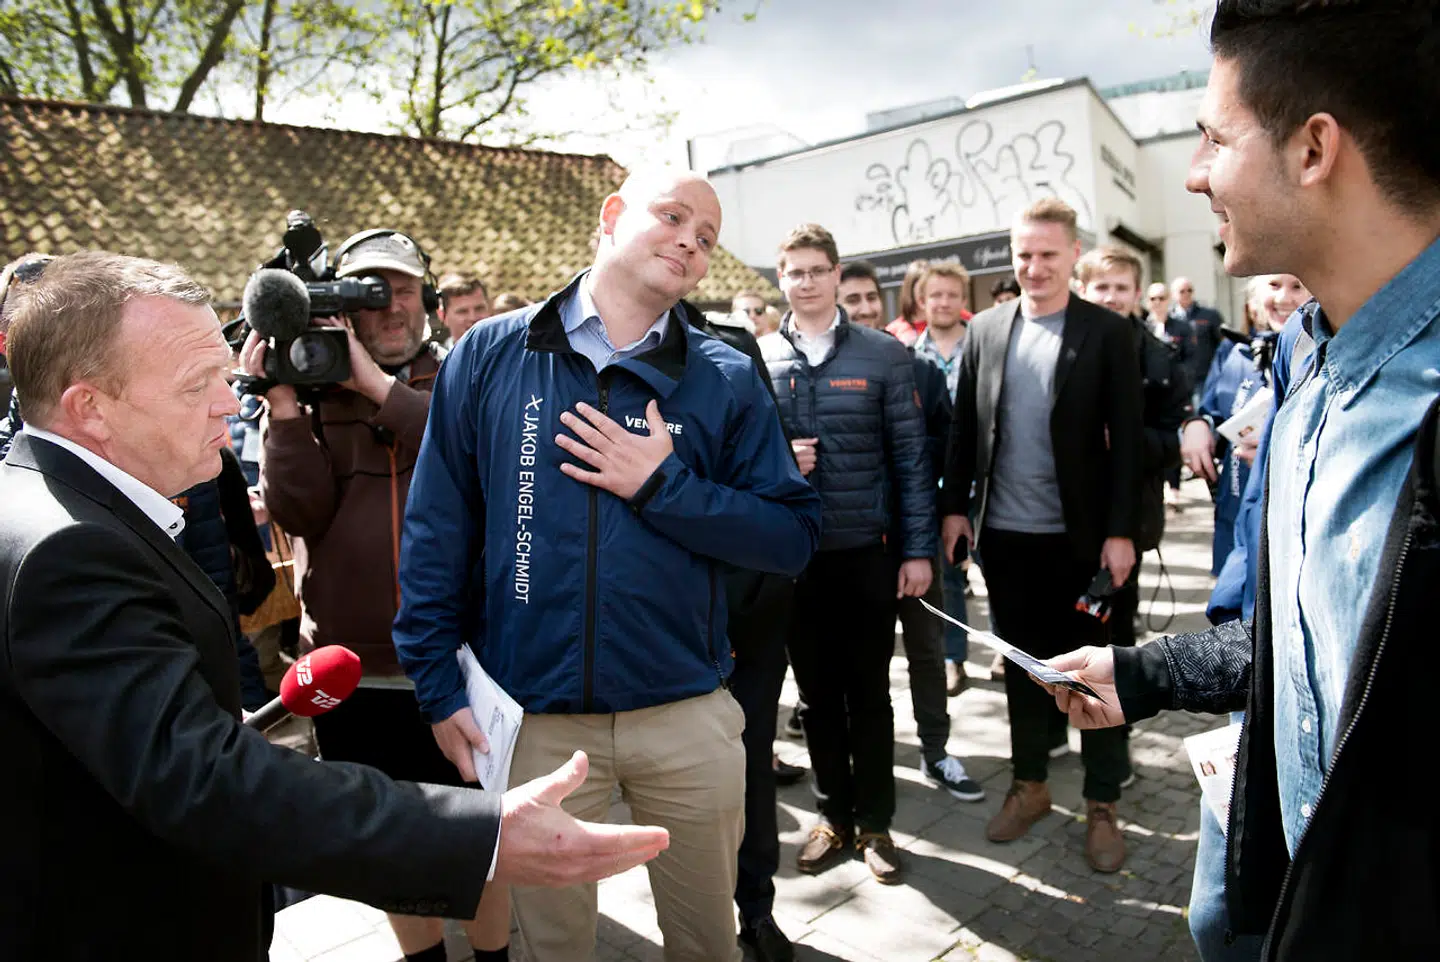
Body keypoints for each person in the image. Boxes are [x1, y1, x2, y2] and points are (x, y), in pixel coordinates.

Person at [0, 251, 671, 962]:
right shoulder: (70, 554)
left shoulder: (57, 508)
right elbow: (198, 779)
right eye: (199, 384)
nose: (231, 405)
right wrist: (487, 835)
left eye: (227, 379)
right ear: (89, 409)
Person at [1044, 1, 1440, 954]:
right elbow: (1314, 638)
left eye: (1214, 138)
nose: (1191, 173)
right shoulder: (1302, 357)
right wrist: (1142, 673)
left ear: (1314, 150)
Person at [394, 169, 822, 962]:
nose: (691, 241)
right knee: (551, 949)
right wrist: (436, 682)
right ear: (612, 215)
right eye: (673, 217)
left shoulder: (724, 373)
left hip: (684, 710)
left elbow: (792, 537)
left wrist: (665, 486)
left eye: (707, 237)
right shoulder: (490, 352)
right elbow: (435, 529)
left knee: (706, 945)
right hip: (536, 723)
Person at [241, 228, 506, 961]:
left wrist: (376, 390)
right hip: (350, 666)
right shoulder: (313, 391)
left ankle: (494, 956)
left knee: (482, 838)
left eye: (403, 289)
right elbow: (299, 514)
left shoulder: (467, 375)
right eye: (370, 293)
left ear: (429, 298)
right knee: (387, 845)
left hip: (460, 663)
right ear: (344, 313)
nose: (390, 307)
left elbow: (478, 459)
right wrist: (287, 405)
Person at [940, 197, 1143, 874]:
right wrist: (955, 509)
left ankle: (1103, 803)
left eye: (1048, 255)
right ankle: (1030, 787)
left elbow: (1130, 450)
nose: (1034, 267)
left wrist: (1123, 534)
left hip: (1087, 548)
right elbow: (964, 431)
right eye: (1023, 255)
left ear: (1074, 255)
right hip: (1007, 539)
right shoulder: (987, 329)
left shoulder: (1109, 334)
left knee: (1098, 677)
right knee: (1027, 671)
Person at [760, 224, 939, 885]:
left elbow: (912, 461)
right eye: (793, 271)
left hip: (867, 553)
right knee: (814, 697)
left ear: (837, 275)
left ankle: (877, 824)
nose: (805, 281)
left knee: (869, 694)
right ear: (781, 280)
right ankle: (832, 815)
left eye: (816, 270)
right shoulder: (755, 359)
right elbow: (737, 459)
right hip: (792, 559)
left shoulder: (883, 355)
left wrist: (918, 551)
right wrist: (780, 460)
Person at [838, 259, 985, 805]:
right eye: (852, 300)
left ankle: (936, 750)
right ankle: (868, 762)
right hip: (857, 550)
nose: (864, 308)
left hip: (917, 540)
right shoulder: (823, 373)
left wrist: (945, 518)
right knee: (865, 662)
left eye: (870, 297)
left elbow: (949, 449)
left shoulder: (915, 367)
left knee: (927, 652)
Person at [1181, 274, 1311, 574]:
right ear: (1252, 301)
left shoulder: (1320, 353)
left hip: (1290, 524)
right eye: (1275, 285)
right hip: (1236, 509)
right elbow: (1212, 409)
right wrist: (1197, 425)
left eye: (1297, 286)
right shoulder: (1233, 353)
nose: (1284, 298)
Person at [911, 262, 975, 694]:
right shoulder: (907, 356)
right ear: (922, 300)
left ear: (963, 300)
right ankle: (955, 658)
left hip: (982, 483)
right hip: (935, 486)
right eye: (936, 294)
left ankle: (1013, 657)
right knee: (949, 577)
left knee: (999, 573)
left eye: (952, 294)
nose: (944, 302)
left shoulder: (982, 346)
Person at [1170, 275, 1225, 400]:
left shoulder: (1210, 315)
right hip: (1179, 379)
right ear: (1174, 294)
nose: (1186, 294)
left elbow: (1223, 344)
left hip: (1205, 376)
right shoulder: (1169, 319)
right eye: (1182, 291)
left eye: (1190, 290)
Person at [437, 271, 492, 344]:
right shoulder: (439, 355)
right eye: (463, 311)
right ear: (442, 316)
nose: (473, 318)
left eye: (479, 309)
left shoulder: (508, 352)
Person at [885, 258, 929, 345]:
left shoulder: (956, 320)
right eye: (923, 287)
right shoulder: (893, 331)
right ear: (911, 290)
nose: (928, 293)